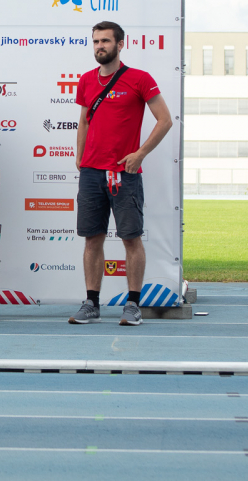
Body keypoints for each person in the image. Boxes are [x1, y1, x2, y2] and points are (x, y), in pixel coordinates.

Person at [69, 21, 173, 326]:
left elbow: (165, 120)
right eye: (96, 41)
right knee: (92, 239)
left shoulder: (140, 78)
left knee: (131, 239)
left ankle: (133, 304)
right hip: (92, 172)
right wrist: (80, 155)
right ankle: (91, 303)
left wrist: (140, 153)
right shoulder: (86, 80)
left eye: (105, 41)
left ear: (120, 44)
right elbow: (84, 121)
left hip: (124, 173)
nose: (99, 46)